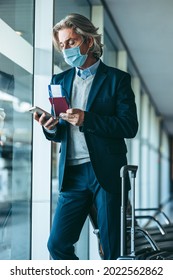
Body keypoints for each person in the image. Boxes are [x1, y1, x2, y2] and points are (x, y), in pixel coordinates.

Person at [34, 13, 138, 260]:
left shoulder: (116, 80)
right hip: (73, 174)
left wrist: (87, 119)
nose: (66, 49)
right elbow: (60, 131)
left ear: (88, 41)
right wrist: (49, 127)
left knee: (113, 250)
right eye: (62, 45)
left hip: (106, 171)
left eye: (70, 42)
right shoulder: (59, 80)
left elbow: (129, 126)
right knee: (57, 245)